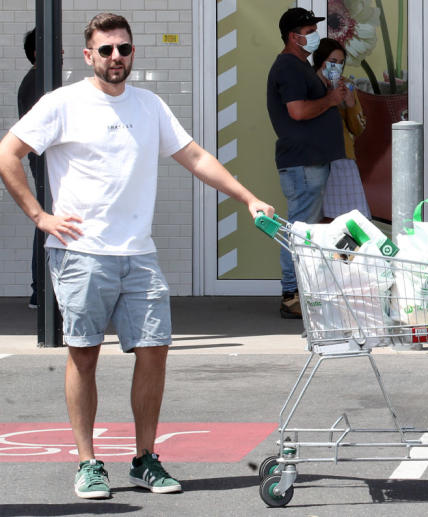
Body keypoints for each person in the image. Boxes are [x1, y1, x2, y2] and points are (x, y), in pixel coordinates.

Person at [0, 13, 275, 499]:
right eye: (105, 50)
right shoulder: (62, 103)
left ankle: (145, 458)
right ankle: (88, 463)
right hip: (81, 253)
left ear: (132, 52)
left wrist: (247, 197)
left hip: (139, 254)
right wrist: (40, 216)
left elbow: (194, 157)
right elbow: (8, 154)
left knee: (154, 352)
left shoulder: (149, 105)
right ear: (89, 55)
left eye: (123, 49)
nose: (115, 59)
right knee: (83, 355)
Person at [267, 7, 348, 319]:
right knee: (299, 231)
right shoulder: (288, 67)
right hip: (303, 164)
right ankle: (292, 295)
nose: (315, 34)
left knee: (305, 230)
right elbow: (298, 112)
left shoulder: (300, 66)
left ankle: (301, 293)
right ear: (294, 36)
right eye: (309, 30)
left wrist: (330, 93)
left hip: (310, 163)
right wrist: (330, 100)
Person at [311, 38, 371, 220]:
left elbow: (358, 128)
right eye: (332, 62)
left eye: (340, 63)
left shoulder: (347, 85)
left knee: (350, 217)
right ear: (321, 60)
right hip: (315, 158)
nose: (336, 67)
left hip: (342, 156)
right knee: (317, 215)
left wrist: (351, 104)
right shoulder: (310, 83)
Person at [18, 28, 43, 309]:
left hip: (42, 163)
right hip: (44, 165)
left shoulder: (36, 81)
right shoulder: (37, 83)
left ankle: (41, 290)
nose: (61, 53)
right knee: (46, 223)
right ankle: (40, 291)